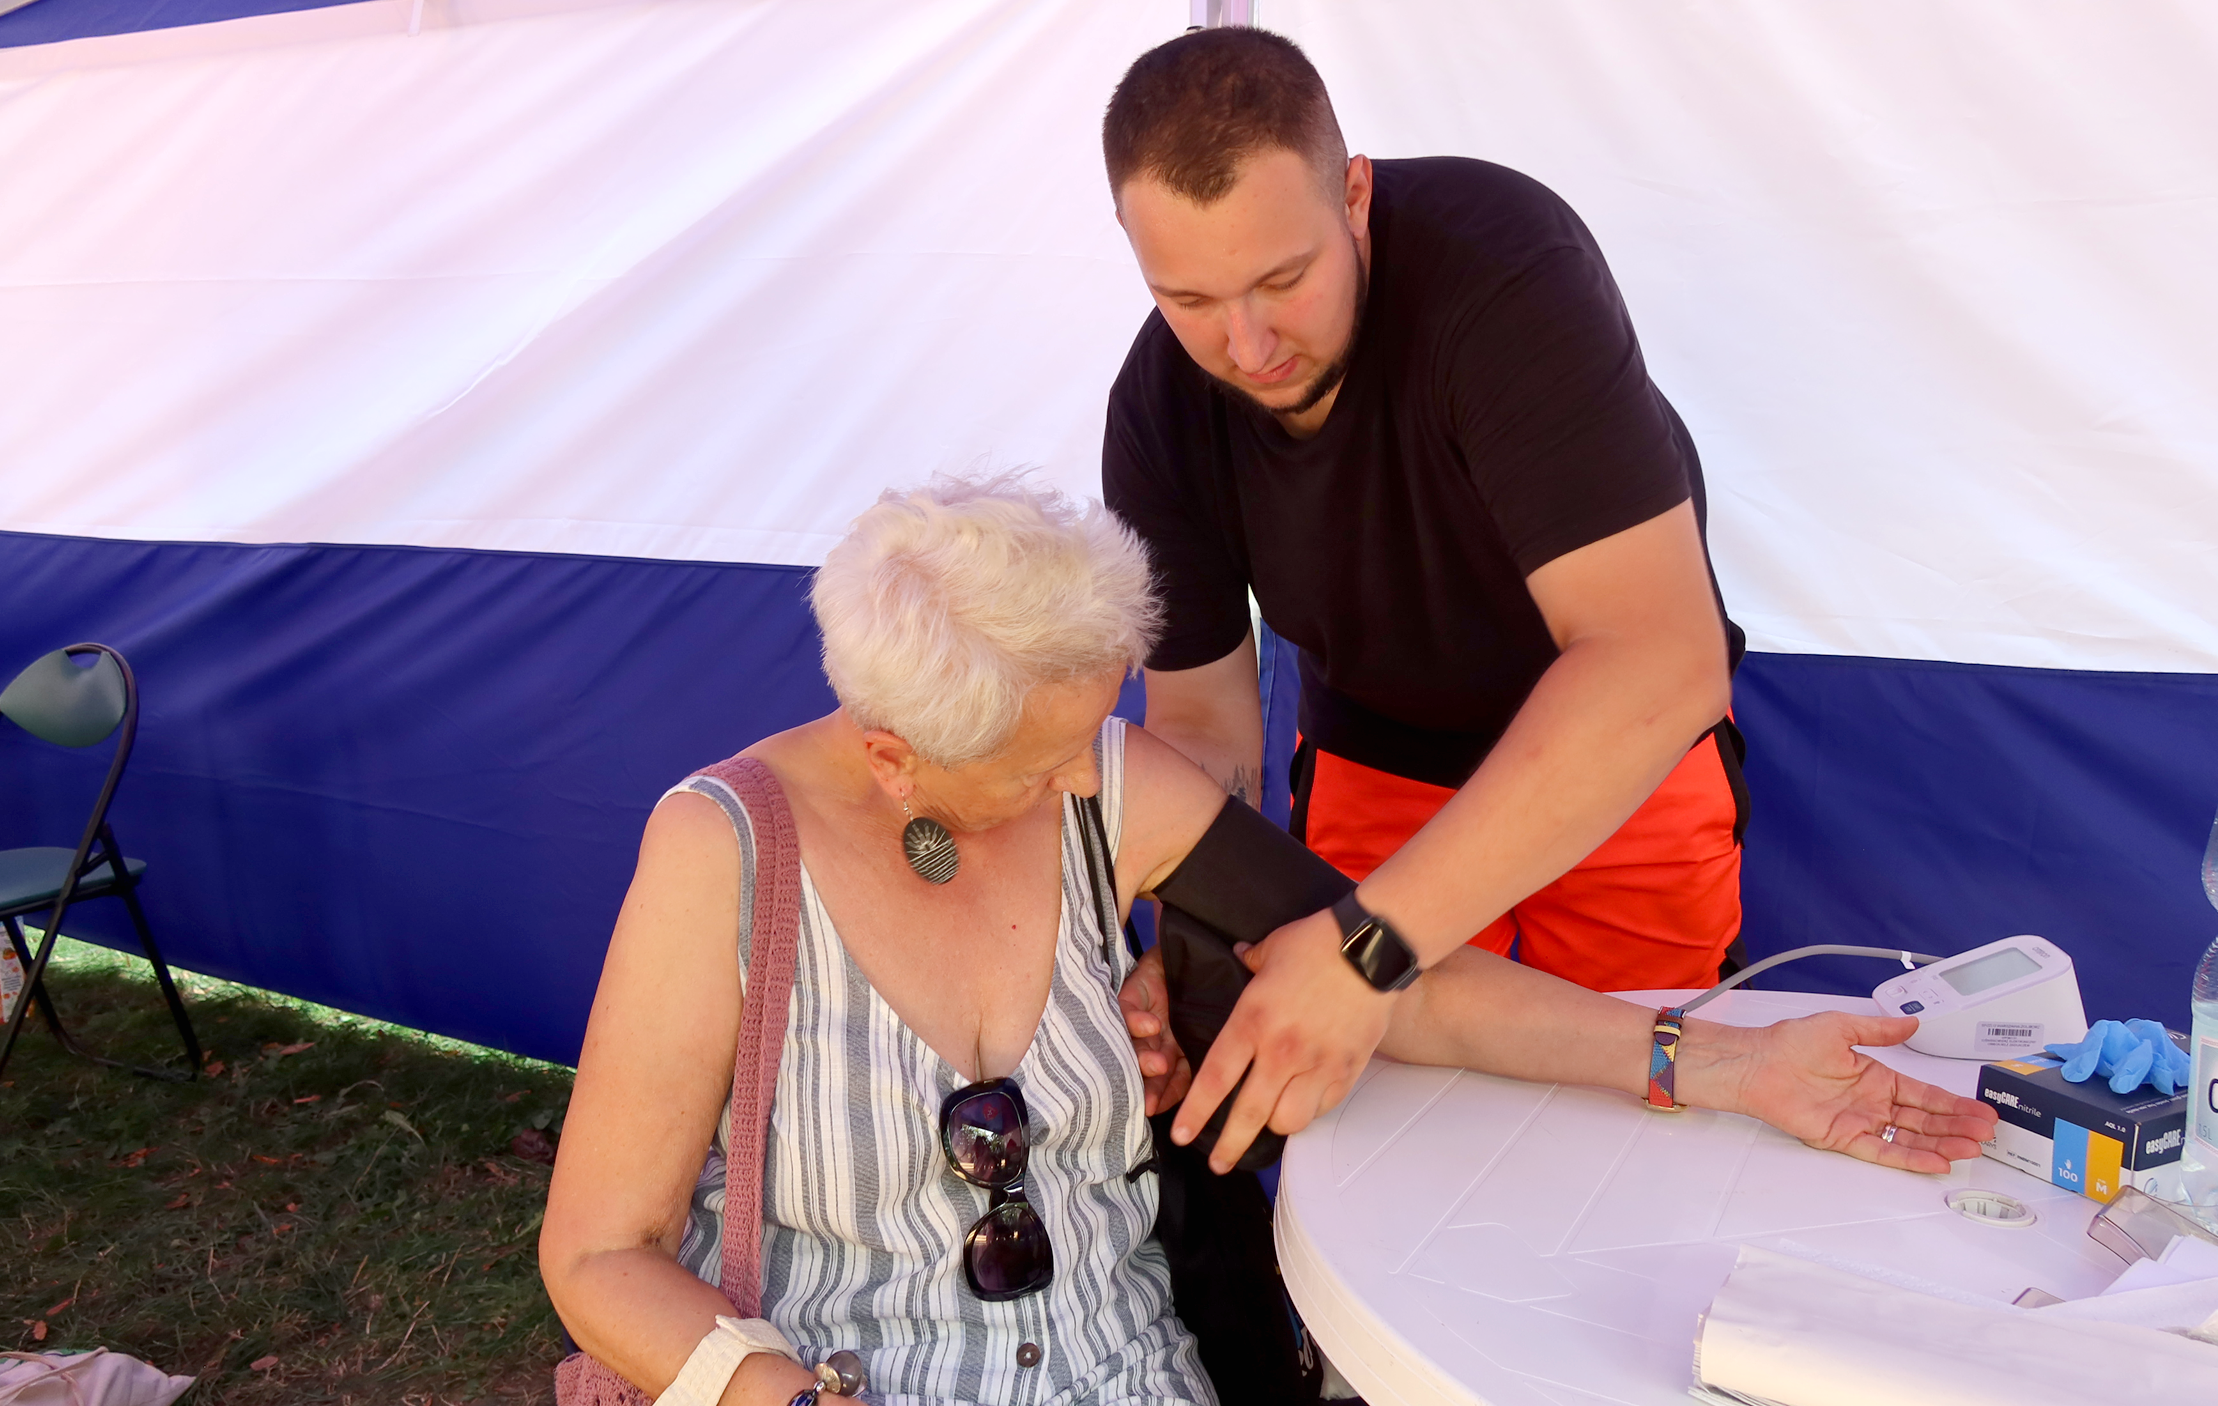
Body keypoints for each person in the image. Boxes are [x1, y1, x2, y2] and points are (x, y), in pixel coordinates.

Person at [539, 473, 1994, 1406]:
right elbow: (600, 1251)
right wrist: (777, 1397)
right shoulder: (725, 852)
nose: (1089, 776)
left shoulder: (1101, 782)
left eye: (1094, 730)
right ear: (891, 757)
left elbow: (1385, 980)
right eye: (1041, 765)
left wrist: (1715, 1061)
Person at [1100, 28, 1751, 1174]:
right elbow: (1201, 726)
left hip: (1615, 753)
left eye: (1282, 280)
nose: (1246, 345)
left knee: (1642, 1127)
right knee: (1380, 1147)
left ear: (1355, 195)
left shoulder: (1502, 272)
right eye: (1188, 297)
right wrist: (1192, 947)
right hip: (1375, 763)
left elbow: (1660, 659)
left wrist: (1367, 949)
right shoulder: (1158, 407)